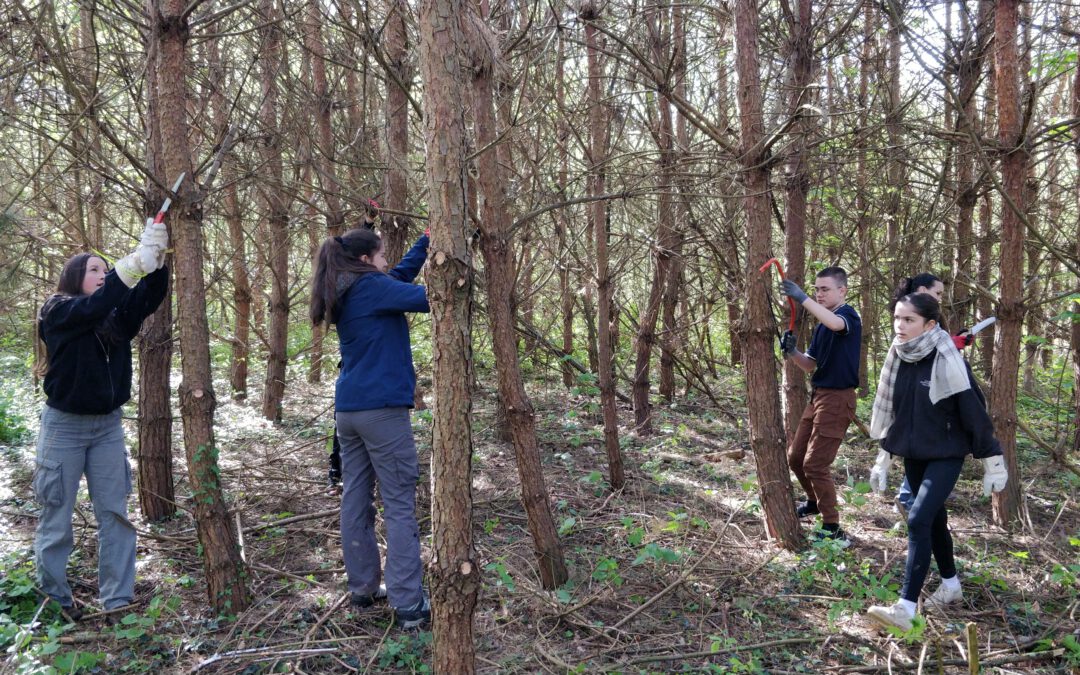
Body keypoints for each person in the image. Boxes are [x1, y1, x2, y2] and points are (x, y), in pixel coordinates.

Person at [33, 221, 170, 621]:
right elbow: (93, 306)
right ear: (75, 277)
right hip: (64, 428)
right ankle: (53, 601)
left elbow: (146, 298)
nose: (103, 274)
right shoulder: (58, 310)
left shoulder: (114, 315)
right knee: (56, 516)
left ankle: (118, 601)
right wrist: (132, 264)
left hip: (107, 427)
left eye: (105, 269)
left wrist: (157, 263)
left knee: (115, 514)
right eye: (94, 269)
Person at [309, 226, 431, 629]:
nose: (385, 263)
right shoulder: (372, 288)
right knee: (398, 503)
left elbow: (397, 277)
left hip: (350, 412)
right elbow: (432, 297)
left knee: (355, 500)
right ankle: (409, 604)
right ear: (366, 260)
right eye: (381, 256)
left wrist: (427, 241)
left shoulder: (344, 288)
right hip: (381, 411)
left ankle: (363, 590)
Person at [865, 293, 1008, 631]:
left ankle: (905, 608)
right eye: (897, 318)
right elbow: (895, 413)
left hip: (946, 453)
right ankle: (950, 585)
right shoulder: (899, 356)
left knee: (917, 519)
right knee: (932, 521)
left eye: (909, 320)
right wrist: (883, 458)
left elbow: (973, 409)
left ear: (930, 324)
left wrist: (992, 460)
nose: (900, 326)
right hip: (914, 454)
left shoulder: (948, 357)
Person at [779, 266, 862, 545]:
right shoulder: (821, 327)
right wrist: (792, 352)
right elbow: (809, 365)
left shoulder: (847, 315)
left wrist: (802, 298)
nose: (819, 294)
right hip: (819, 396)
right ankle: (814, 503)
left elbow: (837, 324)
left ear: (843, 291)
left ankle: (833, 527)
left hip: (838, 399)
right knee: (795, 458)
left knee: (816, 463)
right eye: (816, 289)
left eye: (825, 289)